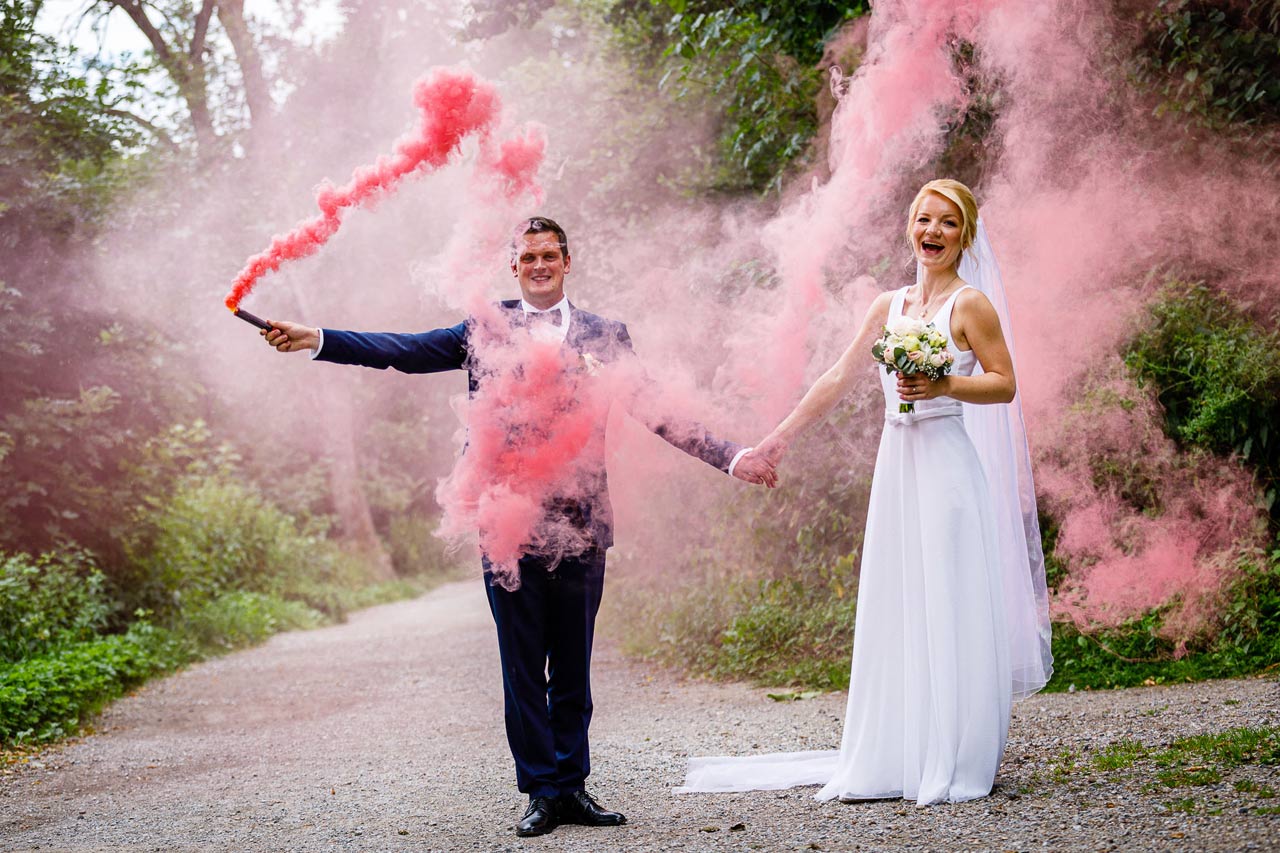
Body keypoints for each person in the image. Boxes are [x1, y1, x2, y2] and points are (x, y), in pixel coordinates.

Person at [260, 216, 777, 837]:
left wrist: (732, 456)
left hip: (583, 525)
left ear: (566, 261)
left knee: (575, 668)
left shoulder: (606, 335)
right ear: (514, 266)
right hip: (507, 525)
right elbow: (403, 351)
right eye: (527, 256)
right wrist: (317, 337)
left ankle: (573, 786)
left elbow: (656, 409)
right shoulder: (487, 328)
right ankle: (540, 791)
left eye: (548, 255)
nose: (538, 265)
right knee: (522, 666)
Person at [677, 180, 1052, 804]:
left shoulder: (970, 306)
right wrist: (776, 441)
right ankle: (899, 746)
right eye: (924, 220)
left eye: (948, 224)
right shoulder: (889, 305)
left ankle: (954, 754)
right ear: (909, 226)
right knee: (899, 596)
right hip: (897, 466)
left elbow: (1005, 384)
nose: (933, 233)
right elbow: (836, 377)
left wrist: (943, 388)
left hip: (948, 468)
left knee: (948, 596)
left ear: (965, 235)